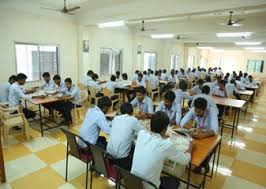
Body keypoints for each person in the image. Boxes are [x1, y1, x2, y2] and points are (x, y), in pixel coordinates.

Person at [131, 111, 192, 189]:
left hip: (133, 183)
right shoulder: (165, 145)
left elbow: (148, 132)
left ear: (150, 124)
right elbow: (185, 160)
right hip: (150, 187)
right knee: (175, 181)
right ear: (165, 129)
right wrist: (191, 147)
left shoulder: (141, 134)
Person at [180, 98, 218, 173]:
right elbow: (182, 122)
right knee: (188, 144)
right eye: (195, 111)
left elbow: (215, 130)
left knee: (210, 148)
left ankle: (204, 165)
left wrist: (202, 135)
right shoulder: (194, 109)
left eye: (199, 111)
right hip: (197, 133)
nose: (196, 113)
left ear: (205, 109)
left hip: (209, 135)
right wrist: (192, 128)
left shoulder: (211, 111)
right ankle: (193, 162)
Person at [107, 103, 144, 170]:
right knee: (137, 151)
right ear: (132, 112)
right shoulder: (133, 120)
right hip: (122, 160)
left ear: (121, 112)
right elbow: (143, 131)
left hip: (109, 156)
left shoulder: (116, 118)